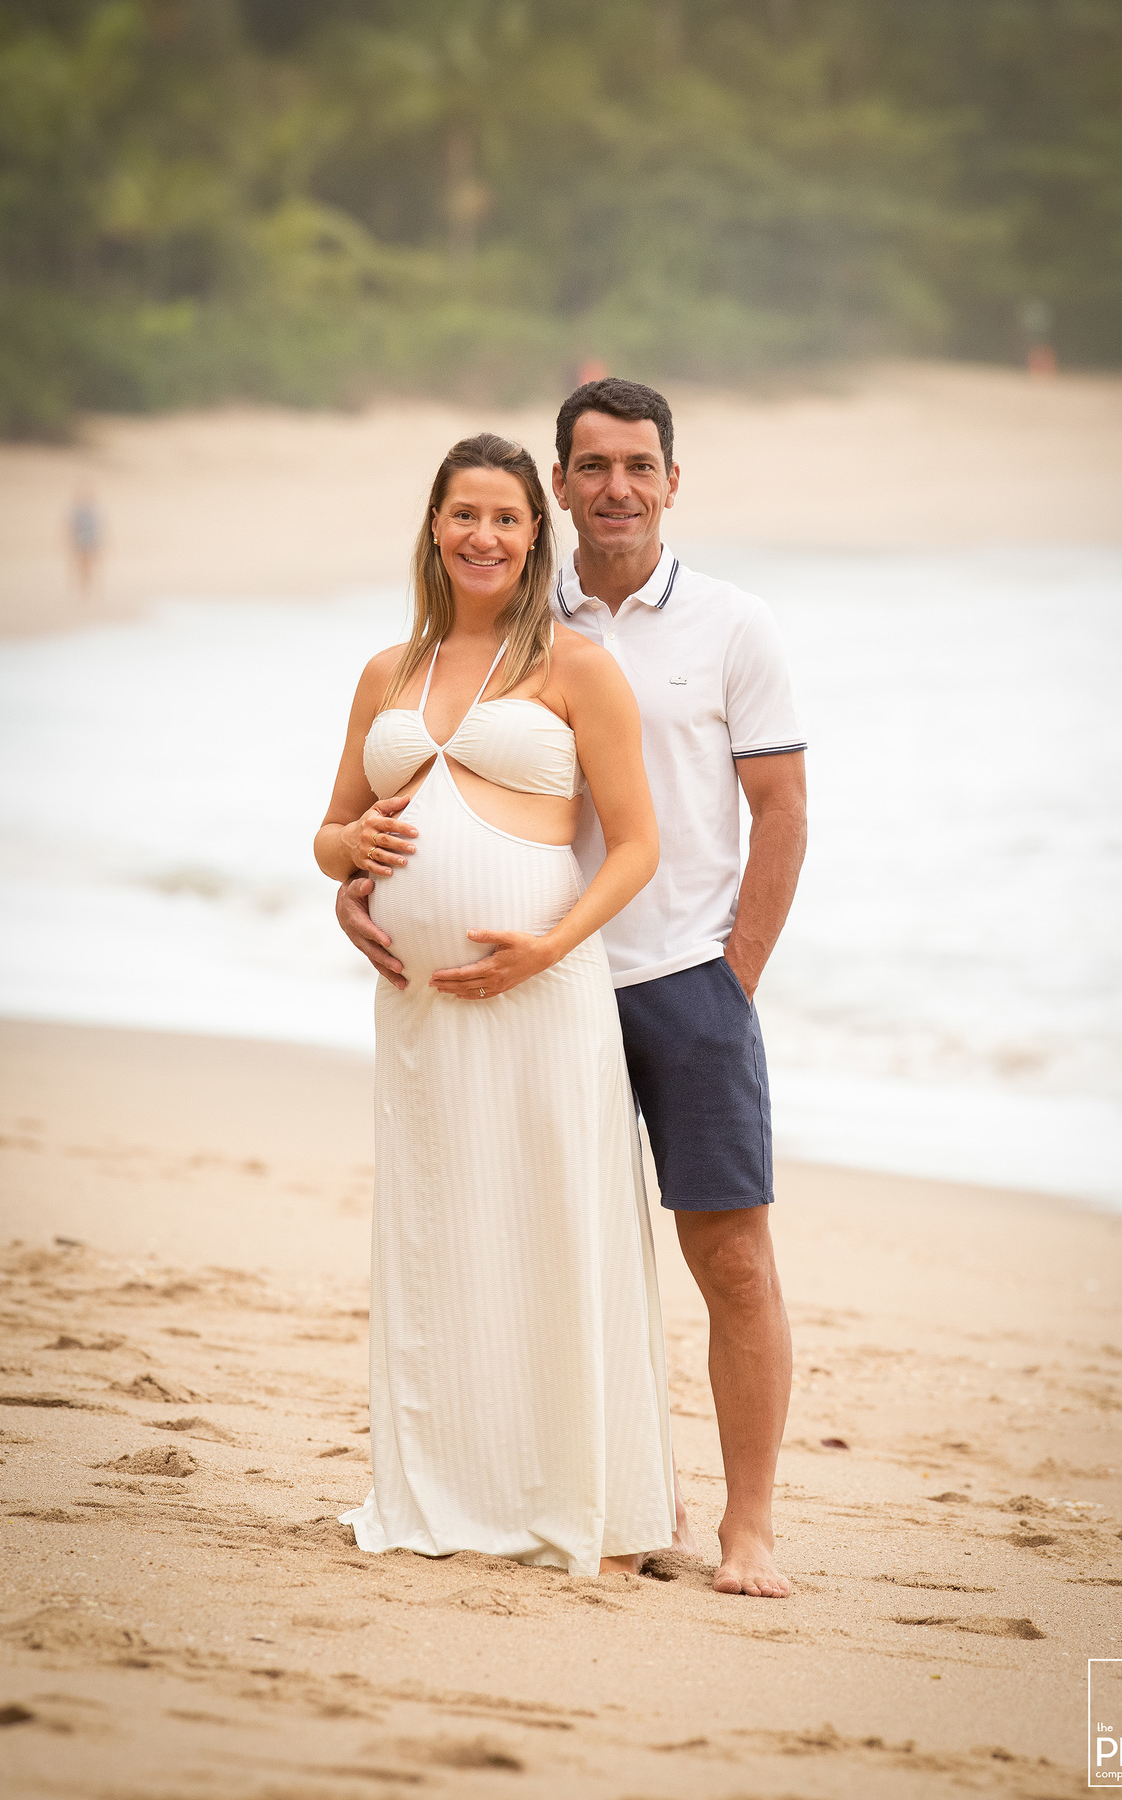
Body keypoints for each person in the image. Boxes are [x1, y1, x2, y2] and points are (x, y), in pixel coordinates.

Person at [338, 381, 807, 1600]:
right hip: (518, 992)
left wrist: (734, 979)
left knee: (731, 1258)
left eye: (637, 466)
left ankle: (747, 1526)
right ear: (560, 487)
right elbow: (381, 807)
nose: (615, 487)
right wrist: (354, 885)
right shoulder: (515, 609)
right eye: (591, 465)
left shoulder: (730, 625)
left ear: (670, 481)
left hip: (675, 978)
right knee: (535, 1243)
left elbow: (780, 814)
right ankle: (601, 1480)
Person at [315, 431, 675, 1577]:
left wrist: (547, 950)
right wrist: (348, 867)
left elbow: (637, 848)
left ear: (538, 535)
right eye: (465, 515)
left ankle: (591, 1509)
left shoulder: (575, 666)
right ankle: (446, 1491)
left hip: (541, 995)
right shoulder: (388, 672)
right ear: (435, 526)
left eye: (508, 519)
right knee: (440, 1238)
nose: (484, 535)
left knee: (554, 1233)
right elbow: (331, 832)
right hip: (421, 1008)